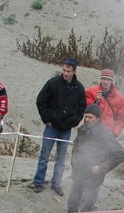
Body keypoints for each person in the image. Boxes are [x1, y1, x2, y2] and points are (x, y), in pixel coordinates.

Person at [30, 58, 86, 195]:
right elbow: (41, 101)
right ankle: (38, 182)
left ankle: (56, 183)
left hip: (66, 129)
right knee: (44, 155)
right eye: (64, 70)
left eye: (69, 71)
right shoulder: (53, 83)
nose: (66, 73)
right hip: (51, 126)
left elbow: (82, 108)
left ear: (74, 71)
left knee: (61, 159)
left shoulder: (79, 88)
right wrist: (47, 119)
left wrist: (74, 122)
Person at [66, 104, 124, 213]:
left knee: (86, 209)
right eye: (86, 116)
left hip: (93, 178)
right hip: (78, 173)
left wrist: (102, 167)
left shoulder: (105, 135)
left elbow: (120, 154)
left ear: (98, 119)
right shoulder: (82, 130)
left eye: (90, 117)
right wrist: (74, 161)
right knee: (72, 205)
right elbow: (76, 146)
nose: (87, 119)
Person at [84, 69, 124, 137]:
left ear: (112, 81)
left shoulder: (120, 98)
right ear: (100, 79)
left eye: (108, 80)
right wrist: (96, 102)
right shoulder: (90, 92)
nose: (105, 82)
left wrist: (115, 133)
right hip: (91, 130)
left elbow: (121, 119)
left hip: (108, 132)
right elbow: (85, 110)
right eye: (103, 79)